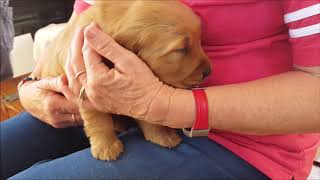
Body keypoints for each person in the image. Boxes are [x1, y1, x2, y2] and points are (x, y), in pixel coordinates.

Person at [1, 0, 319, 179]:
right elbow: (75, 31)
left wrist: (163, 105)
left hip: (241, 144)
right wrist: (31, 88)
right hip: (108, 107)